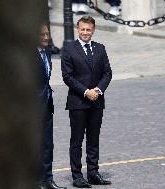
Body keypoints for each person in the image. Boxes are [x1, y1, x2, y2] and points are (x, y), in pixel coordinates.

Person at [61, 16, 112, 188]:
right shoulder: (69, 49)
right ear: (78, 29)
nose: (85, 32)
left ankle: (93, 173)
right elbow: (67, 76)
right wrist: (86, 91)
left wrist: (97, 91)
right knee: (76, 140)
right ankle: (77, 176)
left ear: (93, 30)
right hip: (78, 102)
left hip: (97, 101)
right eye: (82, 29)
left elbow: (107, 73)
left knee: (93, 139)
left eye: (88, 29)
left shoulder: (100, 48)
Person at [36, 24, 67, 189]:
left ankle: (48, 179)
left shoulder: (47, 52)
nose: (46, 38)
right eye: (42, 35)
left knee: (48, 144)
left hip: (47, 105)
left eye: (48, 34)